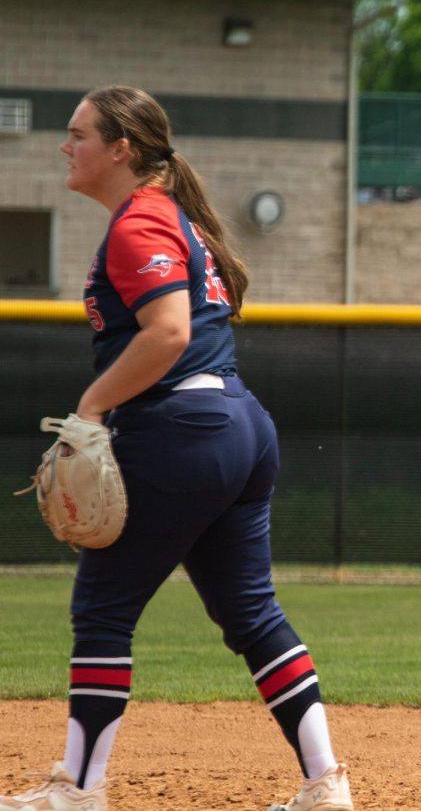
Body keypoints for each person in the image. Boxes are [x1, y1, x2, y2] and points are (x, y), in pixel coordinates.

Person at [1, 86, 353, 811]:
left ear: (121, 149)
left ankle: (80, 790)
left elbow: (168, 335)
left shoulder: (141, 225)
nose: (65, 146)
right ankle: (326, 783)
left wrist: (92, 407)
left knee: (103, 609)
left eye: (78, 134)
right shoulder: (169, 218)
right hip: (238, 425)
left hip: (184, 430)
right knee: (252, 614)